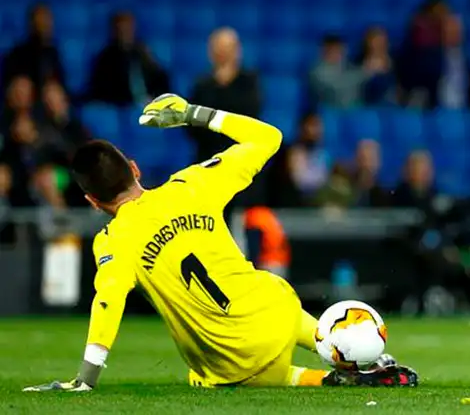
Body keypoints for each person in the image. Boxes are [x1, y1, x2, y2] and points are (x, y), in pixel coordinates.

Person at [23, 94, 418, 392]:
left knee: (261, 377)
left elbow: (107, 302)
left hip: (233, 358)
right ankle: (349, 352)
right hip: (275, 308)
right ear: (134, 168)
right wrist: (194, 114)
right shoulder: (191, 184)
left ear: (93, 202)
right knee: (303, 325)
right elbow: (269, 137)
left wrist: (86, 379)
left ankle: (329, 378)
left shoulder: (114, 240)